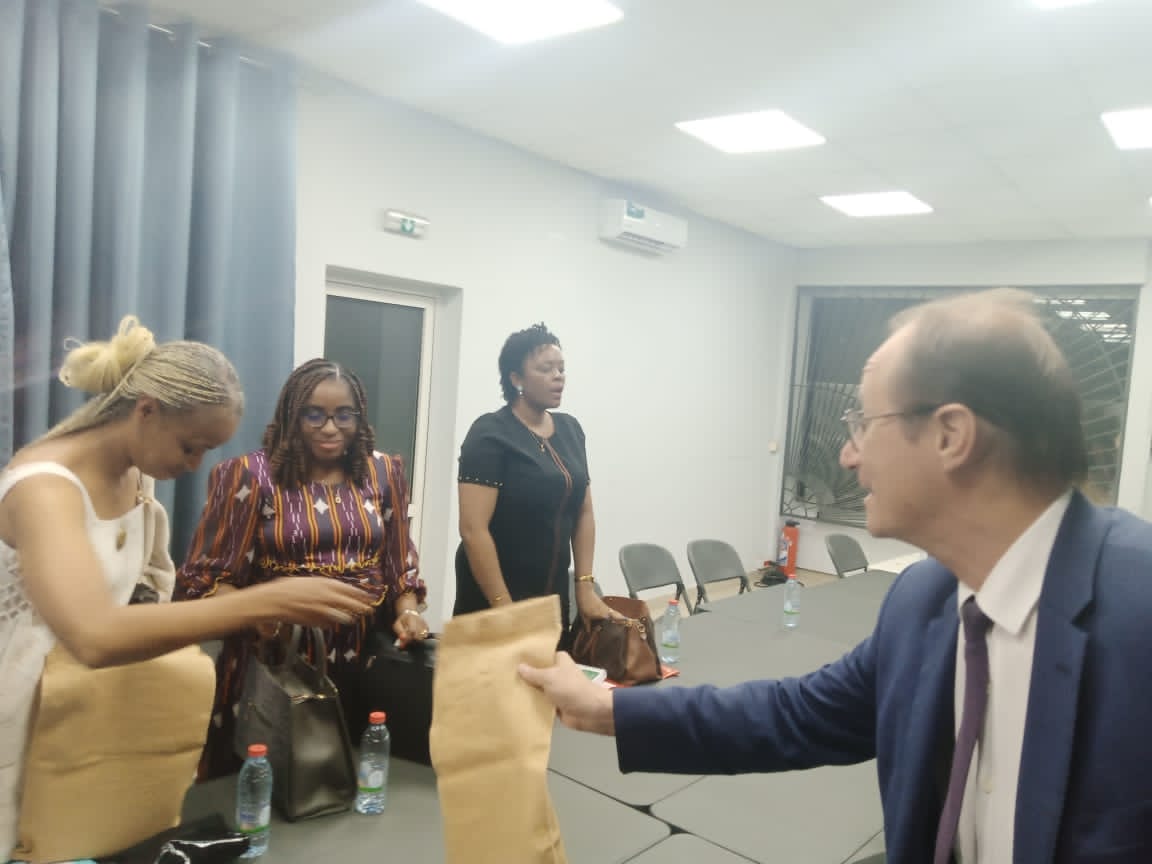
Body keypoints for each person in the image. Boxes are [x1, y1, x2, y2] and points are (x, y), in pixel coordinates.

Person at [520, 290, 1152, 863]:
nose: (847, 454)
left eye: (864, 425)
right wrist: (608, 710)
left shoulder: (1137, 610)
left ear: (951, 435)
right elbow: (795, 715)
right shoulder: (923, 600)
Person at [0, 317, 373, 857]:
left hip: (75, 716)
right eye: (190, 447)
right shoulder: (43, 490)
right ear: (146, 410)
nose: (195, 465)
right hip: (15, 716)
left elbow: (139, 599)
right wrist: (263, 601)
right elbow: (93, 635)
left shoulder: (134, 472)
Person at [177, 358, 429, 776]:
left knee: (356, 774)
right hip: (277, 662)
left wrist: (408, 611)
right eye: (314, 414)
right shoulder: (249, 475)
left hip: (364, 658)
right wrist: (265, 619)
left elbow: (399, 561)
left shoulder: (383, 472)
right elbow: (206, 578)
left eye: (343, 415)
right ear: (292, 416)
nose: (330, 428)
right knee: (273, 780)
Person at [454, 323, 619, 632]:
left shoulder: (570, 430)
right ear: (516, 378)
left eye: (561, 368)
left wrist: (584, 586)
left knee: (555, 661)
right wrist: (504, 607)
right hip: (496, 598)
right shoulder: (490, 434)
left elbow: (583, 512)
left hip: (552, 593)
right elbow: (473, 529)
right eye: (546, 369)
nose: (558, 376)